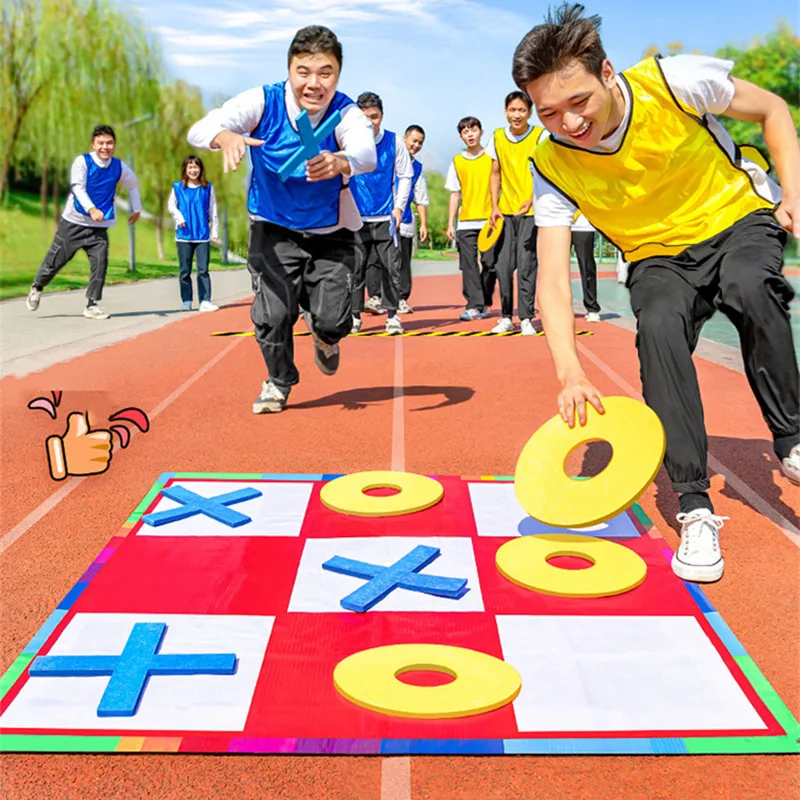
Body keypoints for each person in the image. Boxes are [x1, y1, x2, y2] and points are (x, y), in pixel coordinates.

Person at [513, 2, 800, 583]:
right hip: (655, 255)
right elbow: (550, 277)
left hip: (734, 218)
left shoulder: (673, 81)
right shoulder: (550, 162)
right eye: (549, 112)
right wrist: (570, 372)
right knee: (659, 330)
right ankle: (694, 503)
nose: (569, 123)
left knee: (750, 285)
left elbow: (771, 108)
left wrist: (792, 192)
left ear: (608, 73)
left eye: (580, 102)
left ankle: (792, 440)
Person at [187, 25, 376, 413]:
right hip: (274, 229)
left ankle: (324, 336)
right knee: (272, 316)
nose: (314, 83)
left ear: (338, 74)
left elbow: (366, 153)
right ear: (289, 70)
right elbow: (199, 130)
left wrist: (340, 161)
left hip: (331, 232)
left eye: (326, 72)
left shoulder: (344, 111)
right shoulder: (263, 101)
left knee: (333, 321)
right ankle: (278, 380)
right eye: (303, 71)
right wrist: (226, 137)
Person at [26, 125, 141, 319]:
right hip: (73, 223)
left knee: (100, 263)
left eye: (110, 143)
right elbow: (78, 188)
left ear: (114, 145)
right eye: (101, 143)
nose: (105, 147)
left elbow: (132, 185)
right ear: (93, 144)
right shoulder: (82, 162)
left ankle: (92, 305)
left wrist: (136, 209)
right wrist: (92, 209)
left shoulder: (119, 166)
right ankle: (37, 286)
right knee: (54, 262)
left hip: (99, 227)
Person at [348, 91, 412, 335]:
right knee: (356, 269)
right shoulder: (349, 142)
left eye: (374, 117)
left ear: (382, 116)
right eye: (364, 118)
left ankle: (393, 316)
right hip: (356, 219)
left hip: (385, 217)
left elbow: (405, 175)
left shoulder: (394, 142)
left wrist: (399, 207)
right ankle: (354, 317)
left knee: (390, 268)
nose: (369, 122)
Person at [487, 91, 546, 335]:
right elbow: (495, 173)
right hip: (505, 213)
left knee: (526, 265)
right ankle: (505, 317)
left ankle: (526, 318)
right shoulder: (498, 137)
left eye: (522, 110)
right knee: (503, 266)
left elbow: (545, 172)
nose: (517, 115)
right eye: (513, 110)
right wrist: (494, 206)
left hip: (530, 211)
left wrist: (532, 198)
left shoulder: (541, 136)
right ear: (505, 112)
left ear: (530, 112)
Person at [445, 117, 494, 321]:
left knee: (491, 263)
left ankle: (482, 299)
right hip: (466, 221)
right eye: (465, 132)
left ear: (481, 132)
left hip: (489, 220)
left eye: (473, 129)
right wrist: (450, 223)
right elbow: (455, 193)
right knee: (469, 265)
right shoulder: (457, 161)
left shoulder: (492, 158)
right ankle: (475, 305)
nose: (470, 134)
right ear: (461, 136)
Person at [167, 155, 219, 312]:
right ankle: (187, 300)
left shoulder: (207, 188)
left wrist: (214, 230)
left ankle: (205, 301)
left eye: (196, 167)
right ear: (185, 170)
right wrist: (179, 217)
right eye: (190, 167)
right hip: (184, 236)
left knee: (203, 270)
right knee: (185, 270)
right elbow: (171, 206)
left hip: (202, 235)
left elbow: (213, 210)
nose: (193, 170)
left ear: (200, 169)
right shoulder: (177, 188)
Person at [397, 124, 430, 313]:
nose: (416, 145)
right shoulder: (390, 159)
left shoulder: (417, 168)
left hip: (406, 221)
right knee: (376, 261)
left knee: (403, 262)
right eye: (414, 140)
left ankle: (402, 297)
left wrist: (423, 224)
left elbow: (421, 197)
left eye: (420, 142)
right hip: (384, 217)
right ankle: (377, 297)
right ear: (404, 138)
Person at [571, 213, 601, 322]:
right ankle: (558, 307)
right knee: (556, 268)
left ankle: (592, 308)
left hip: (582, 224)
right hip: (559, 224)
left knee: (587, 266)